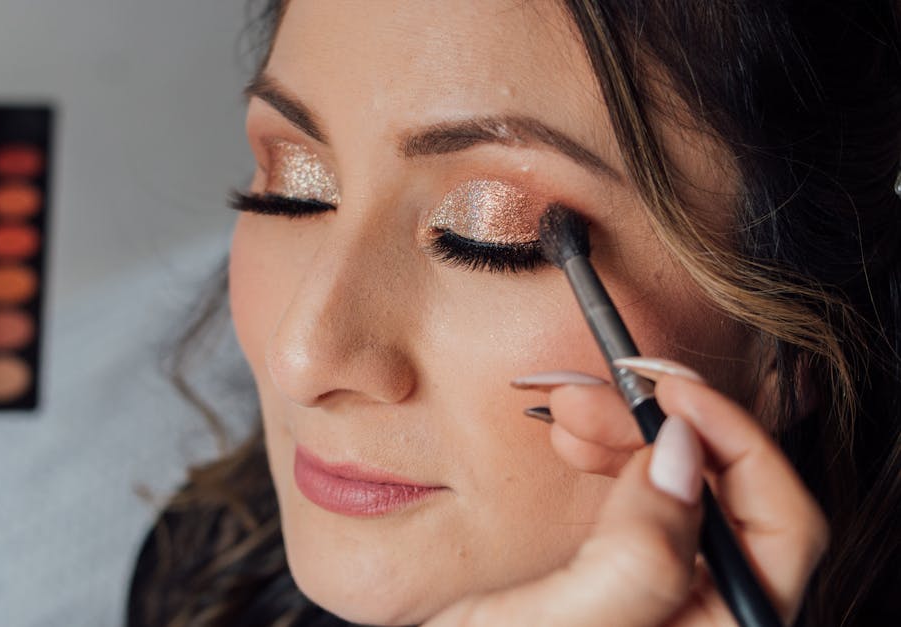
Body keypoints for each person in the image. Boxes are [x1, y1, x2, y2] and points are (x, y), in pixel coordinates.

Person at [126, 1, 901, 625]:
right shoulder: (203, 569)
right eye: (294, 188)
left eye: (491, 234)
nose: (301, 357)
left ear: (791, 347)